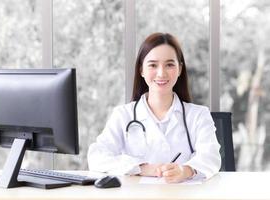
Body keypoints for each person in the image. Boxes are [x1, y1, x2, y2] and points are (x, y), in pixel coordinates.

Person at [87, 32, 221, 183]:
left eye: (170, 64)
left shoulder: (198, 115)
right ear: (141, 70)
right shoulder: (123, 115)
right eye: (153, 65)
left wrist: (186, 170)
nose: (161, 73)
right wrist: (143, 168)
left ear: (180, 69)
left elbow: (211, 157)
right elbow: (97, 157)